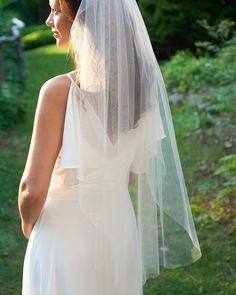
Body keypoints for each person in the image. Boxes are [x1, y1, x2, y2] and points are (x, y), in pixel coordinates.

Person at [18, 0, 202, 294]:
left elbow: (32, 188)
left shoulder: (57, 92)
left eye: (55, 10)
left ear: (83, 19)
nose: (48, 20)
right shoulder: (143, 87)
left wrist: (30, 227)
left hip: (63, 235)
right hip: (119, 232)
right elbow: (133, 171)